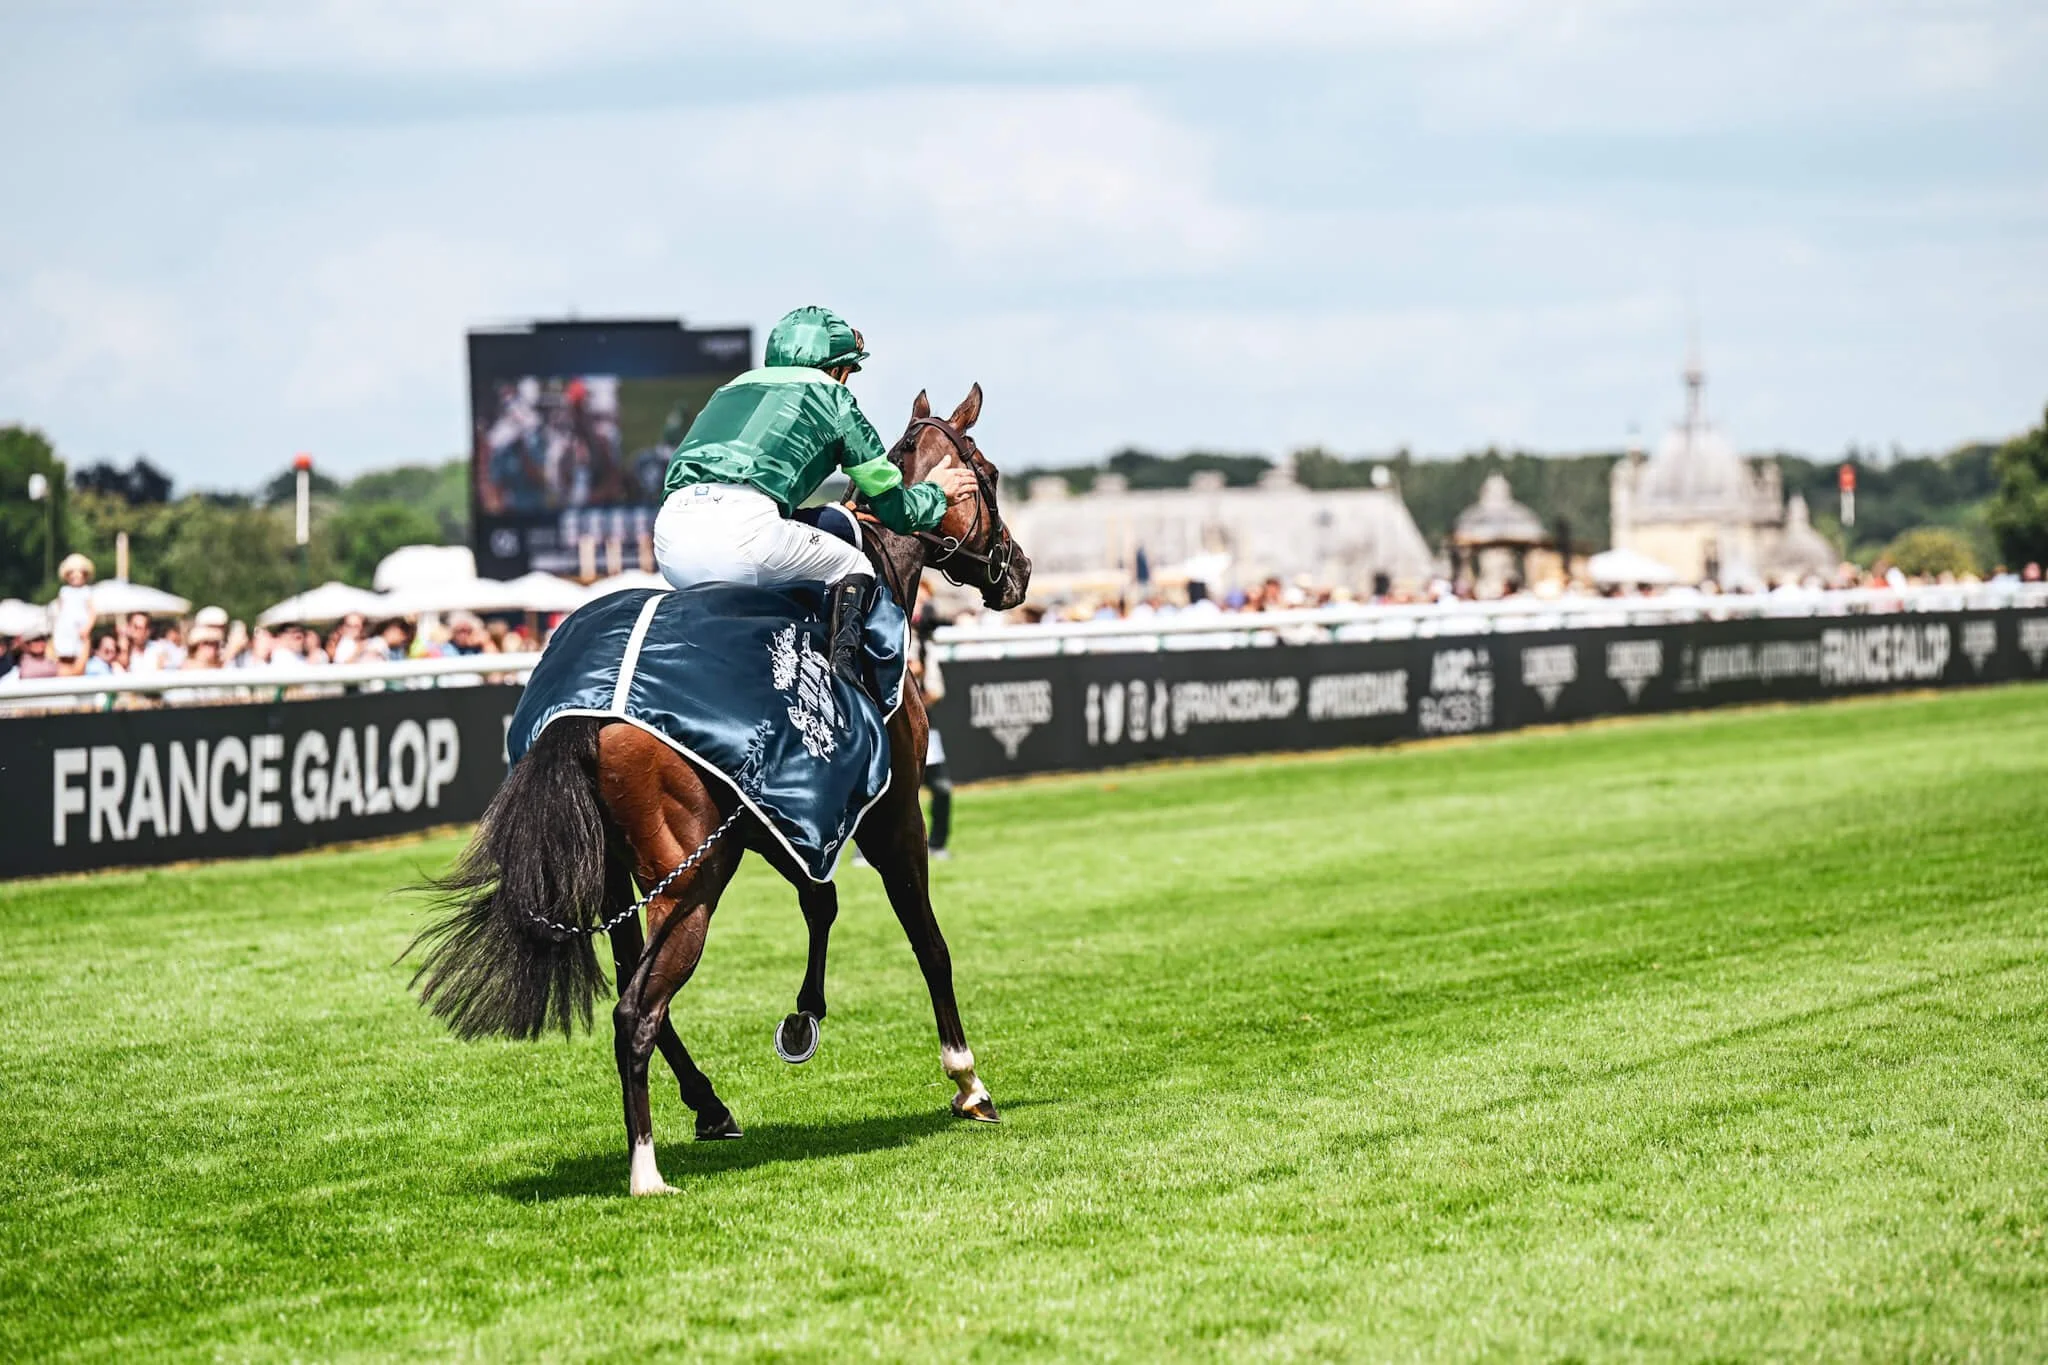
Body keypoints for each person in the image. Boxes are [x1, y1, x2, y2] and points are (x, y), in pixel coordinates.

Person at [654, 306, 975, 690]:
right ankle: (844, 687)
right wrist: (937, 492)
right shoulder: (834, 400)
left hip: (670, 540)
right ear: (837, 370)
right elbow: (899, 512)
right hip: (744, 539)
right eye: (849, 373)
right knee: (855, 566)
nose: (847, 383)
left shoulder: (731, 389)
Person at [51, 553, 96, 674]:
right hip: (66, 630)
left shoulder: (86, 591)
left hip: (80, 630)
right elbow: (60, 612)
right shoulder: (64, 591)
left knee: (80, 657)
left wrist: (87, 628)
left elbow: (92, 612)